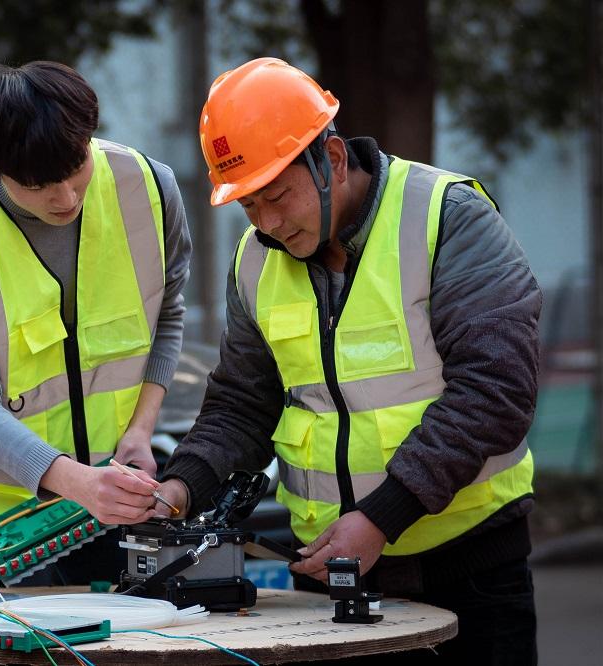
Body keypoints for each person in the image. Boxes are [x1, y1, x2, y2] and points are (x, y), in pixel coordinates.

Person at [155, 58, 539, 663]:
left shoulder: (447, 218)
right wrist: (179, 486)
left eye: (278, 195)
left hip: (469, 575)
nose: (269, 223)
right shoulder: (255, 261)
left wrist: (382, 518)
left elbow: (495, 390)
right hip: (327, 584)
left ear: (332, 159)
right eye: (249, 206)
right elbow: (241, 405)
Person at [0, 61, 192, 590]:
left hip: (108, 493)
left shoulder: (150, 188)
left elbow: (167, 315)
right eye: (37, 186)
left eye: (76, 167)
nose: (65, 198)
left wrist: (140, 430)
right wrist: (72, 480)